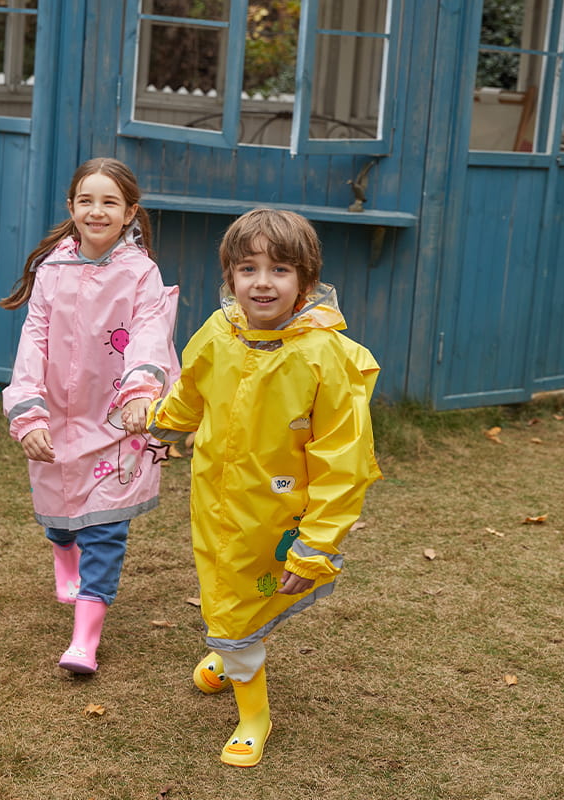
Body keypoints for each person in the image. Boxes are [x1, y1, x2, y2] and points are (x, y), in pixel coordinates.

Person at [141, 208, 381, 767]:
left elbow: (343, 462)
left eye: (280, 270)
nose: (263, 282)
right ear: (230, 278)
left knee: (235, 599)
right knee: (224, 585)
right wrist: (162, 421)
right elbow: (191, 390)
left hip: (277, 512)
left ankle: (254, 713)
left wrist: (318, 544)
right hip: (215, 499)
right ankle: (230, 651)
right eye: (248, 269)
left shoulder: (323, 358)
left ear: (306, 280)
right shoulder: (218, 333)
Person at [0, 157, 179, 674]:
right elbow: (33, 341)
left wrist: (142, 391)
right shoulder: (51, 270)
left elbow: (148, 330)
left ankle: (85, 640)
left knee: (105, 527)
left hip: (119, 418)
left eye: (109, 202)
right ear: (72, 207)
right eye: (86, 200)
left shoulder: (141, 274)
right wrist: (29, 412)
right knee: (60, 511)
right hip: (56, 415)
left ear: (129, 213)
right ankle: (62, 552)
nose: (96, 211)